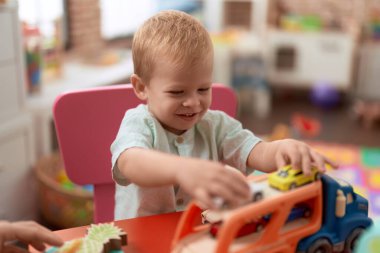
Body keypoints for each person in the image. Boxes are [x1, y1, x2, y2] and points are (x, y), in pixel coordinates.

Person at [111, 10, 337, 220]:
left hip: (196, 230)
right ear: (141, 87)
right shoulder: (138, 123)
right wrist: (182, 170)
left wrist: (282, 149)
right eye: (177, 92)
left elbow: (256, 151)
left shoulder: (215, 124)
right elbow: (131, 162)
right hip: (138, 238)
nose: (193, 102)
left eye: (203, 89)